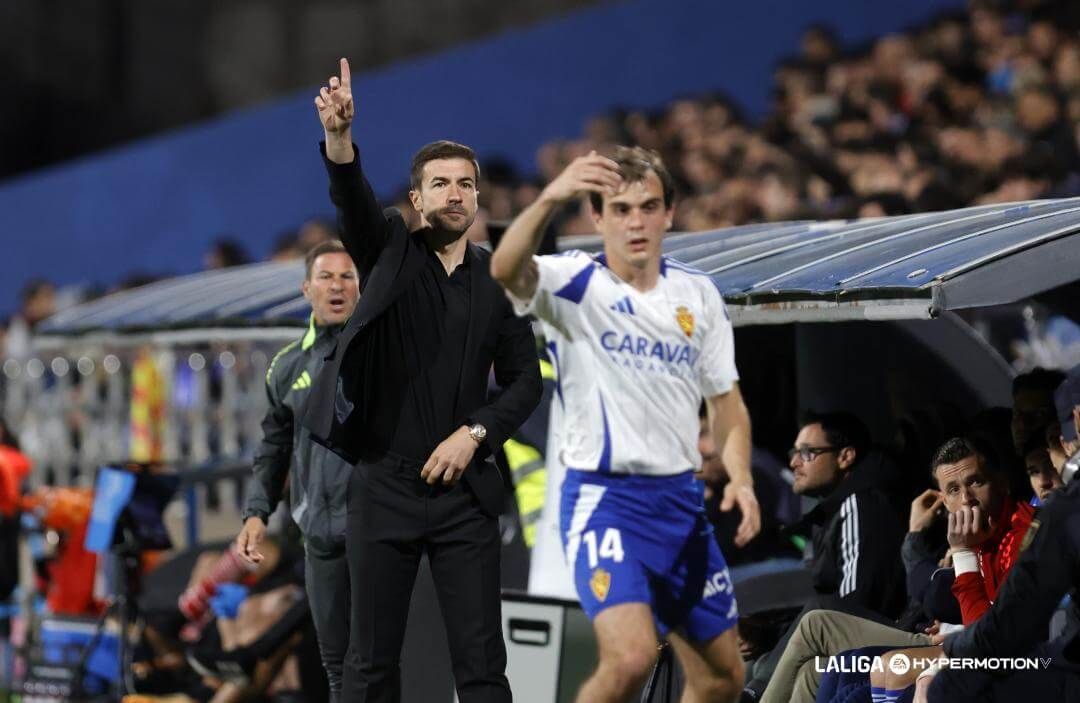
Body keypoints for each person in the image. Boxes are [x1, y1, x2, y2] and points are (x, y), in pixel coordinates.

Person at [307, 59, 542, 703]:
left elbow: (526, 382)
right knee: (371, 663)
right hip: (383, 485)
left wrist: (476, 433)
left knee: (483, 668)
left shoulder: (499, 280)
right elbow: (352, 203)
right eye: (440, 184)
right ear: (417, 200)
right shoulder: (387, 250)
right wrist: (339, 140)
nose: (455, 194)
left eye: (465, 185)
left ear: (477, 198)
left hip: (466, 495)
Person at [491, 145, 761, 702]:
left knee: (722, 678)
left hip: (681, 505)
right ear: (596, 217)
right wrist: (549, 196)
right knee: (632, 656)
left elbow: (726, 401)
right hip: (604, 497)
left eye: (648, 206)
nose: (635, 221)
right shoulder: (573, 284)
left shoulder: (698, 295)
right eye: (619, 209)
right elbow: (504, 268)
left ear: (669, 213)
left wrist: (741, 478)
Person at [234, 240, 359, 700]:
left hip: (376, 534)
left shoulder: (381, 354)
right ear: (307, 289)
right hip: (318, 538)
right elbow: (273, 448)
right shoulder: (286, 367)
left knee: (377, 656)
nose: (337, 286)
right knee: (334, 660)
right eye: (326, 277)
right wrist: (255, 513)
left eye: (348, 276)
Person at [744, 413, 906, 700]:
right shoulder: (830, 512)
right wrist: (769, 633)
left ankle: (753, 694)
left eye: (807, 452)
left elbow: (850, 604)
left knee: (818, 616)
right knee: (753, 656)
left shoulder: (860, 504)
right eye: (795, 452)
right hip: (843, 631)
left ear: (845, 457)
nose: (794, 462)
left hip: (884, 632)